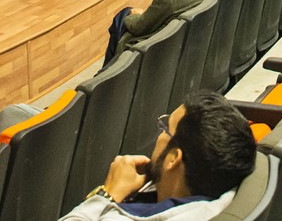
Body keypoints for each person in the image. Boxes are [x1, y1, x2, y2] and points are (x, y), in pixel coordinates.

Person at [60, 91, 257, 220]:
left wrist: (108, 193)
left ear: (173, 159)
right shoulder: (223, 190)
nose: (160, 134)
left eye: (165, 128)